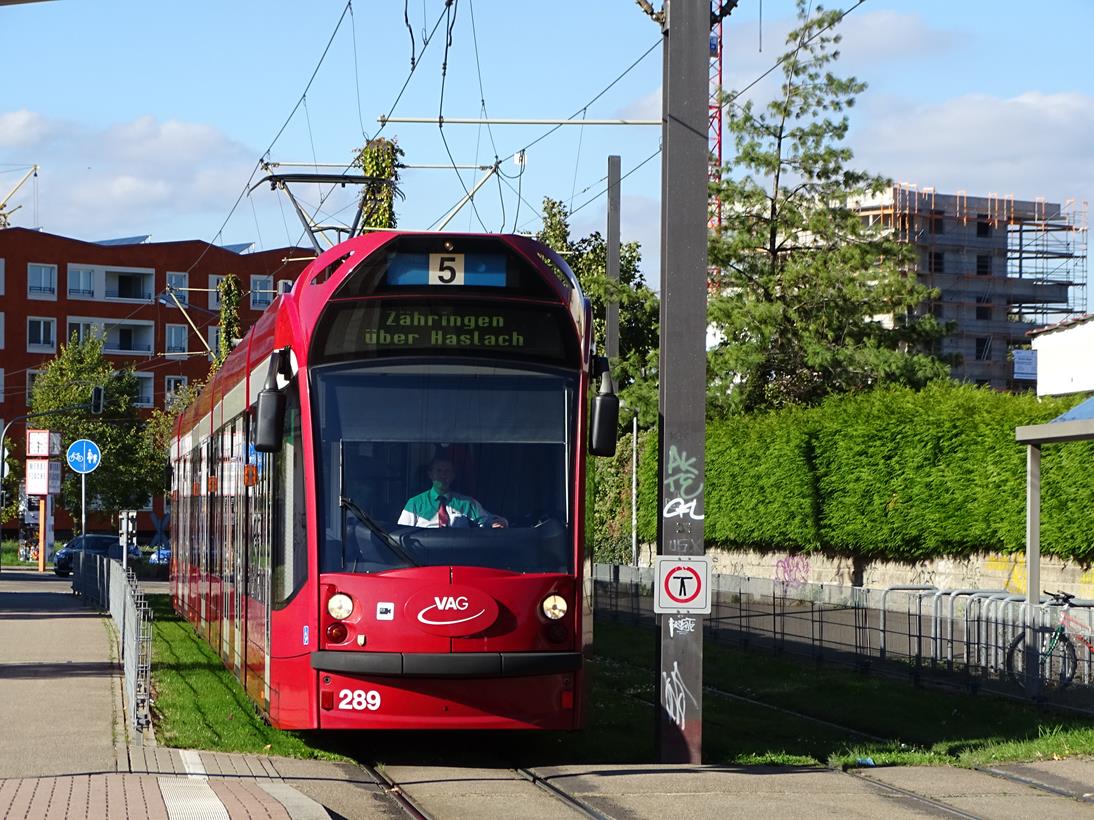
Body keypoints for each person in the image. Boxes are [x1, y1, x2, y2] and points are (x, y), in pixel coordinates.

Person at [398, 454, 507, 528]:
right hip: (422, 558)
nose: (443, 475)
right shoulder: (414, 504)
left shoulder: (467, 504)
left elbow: (489, 520)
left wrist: (498, 523)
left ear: (453, 475)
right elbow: (402, 534)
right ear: (430, 474)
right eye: (439, 471)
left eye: (447, 471)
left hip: (458, 557)